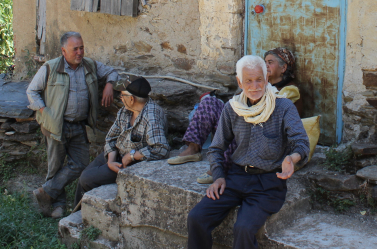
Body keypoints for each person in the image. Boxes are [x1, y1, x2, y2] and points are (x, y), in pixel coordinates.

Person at [186, 55, 309, 249]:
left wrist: (291, 159)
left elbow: (301, 143)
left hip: (268, 183)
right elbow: (216, 148)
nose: (254, 86)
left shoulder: (283, 107)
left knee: (243, 228)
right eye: (248, 81)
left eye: (259, 79)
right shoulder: (232, 108)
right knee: (197, 217)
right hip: (236, 177)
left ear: (266, 79)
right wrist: (218, 176)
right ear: (239, 82)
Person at [26, 31, 122, 218]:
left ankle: (45, 192)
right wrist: (45, 111)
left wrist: (109, 85)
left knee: (80, 163)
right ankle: (58, 206)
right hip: (56, 125)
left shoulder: (90, 65)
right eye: (75, 49)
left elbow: (112, 72)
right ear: (63, 50)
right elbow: (32, 91)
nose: (79, 52)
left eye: (82, 48)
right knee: (55, 167)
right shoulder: (50, 68)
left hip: (78, 125)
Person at [168, 48, 300, 171]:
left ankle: (221, 168)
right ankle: (193, 148)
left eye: (270, 62)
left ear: (283, 68)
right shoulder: (255, 84)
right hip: (238, 124)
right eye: (264, 62)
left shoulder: (289, 91)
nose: (265, 66)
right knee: (210, 102)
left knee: (241, 126)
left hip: (260, 135)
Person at [73, 77, 169, 207]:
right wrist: (111, 160)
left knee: (86, 179)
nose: (120, 97)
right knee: (84, 176)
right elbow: (111, 138)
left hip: (132, 163)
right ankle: (78, 211)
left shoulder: (151, 116)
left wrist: (132, 155)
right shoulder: (125, 111)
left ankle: (83, 212)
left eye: (122, 95)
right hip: (116, 154)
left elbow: (161, 149)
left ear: (132, 99)